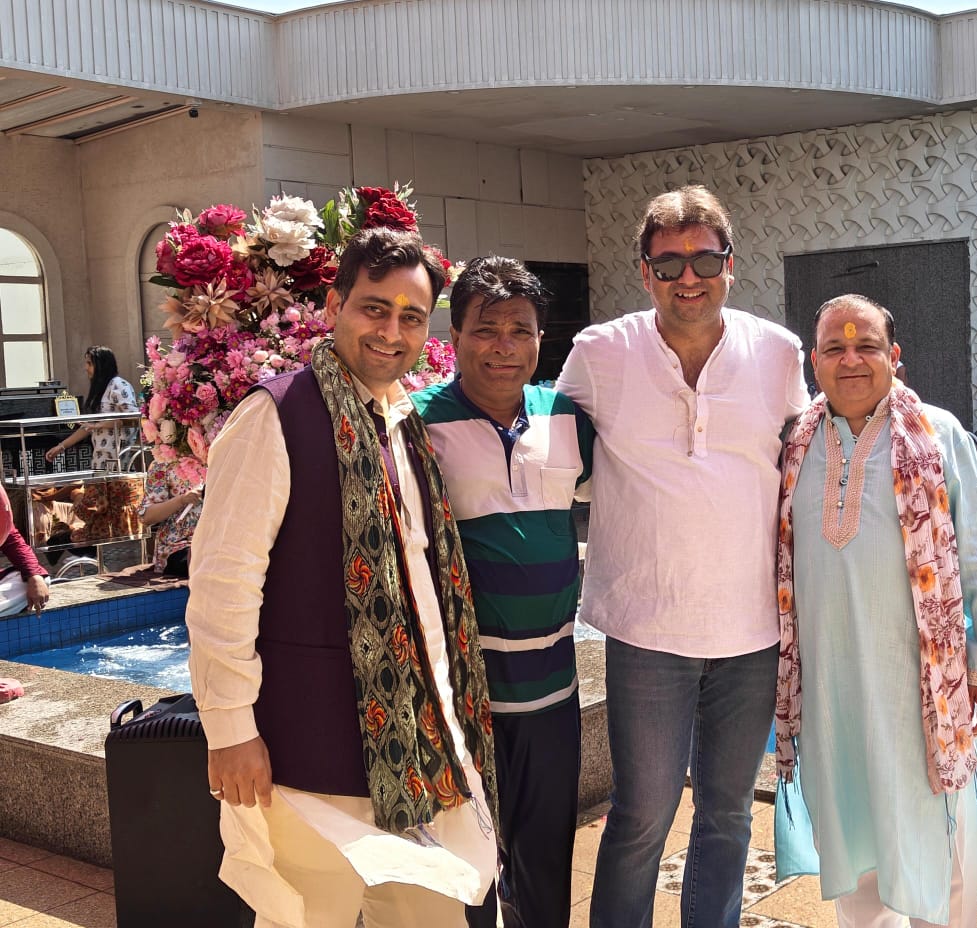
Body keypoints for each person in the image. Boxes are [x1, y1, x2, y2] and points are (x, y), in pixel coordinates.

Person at [186, 227, 499, 927]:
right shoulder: (274, 416)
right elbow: (222, 586)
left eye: (411, 316)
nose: (392, 332)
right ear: (333, 306)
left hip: (418, 748)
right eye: (374, 308)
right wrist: (230, 730)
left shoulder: (405, 421)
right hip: (309, 752)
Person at [555, 185, 810, 928]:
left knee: (728, 812)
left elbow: (807, 463)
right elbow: (548, 454)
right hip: (646, 626)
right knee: (641, 814)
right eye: (668, 263)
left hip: (752, 629)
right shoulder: (599, 353)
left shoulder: (778, 353)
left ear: (731, 263)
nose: (687, 277)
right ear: (644, 271)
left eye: (704, 259)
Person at [774, 294, 977, 928]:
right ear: (814, 362)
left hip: (921, 690)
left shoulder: (939, 434)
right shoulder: (795, 443)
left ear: (895, 356)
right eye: (834, 348)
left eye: (867, 346)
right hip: (831, 692)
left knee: (940, 840)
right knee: (853, 839)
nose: (850, 359)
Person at [414, 256, 593, 928]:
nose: (504, 347)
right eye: (486, 330)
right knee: (466, 861)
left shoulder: (567, 417)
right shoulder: (416, 424)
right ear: (456, 335)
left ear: (540, 339)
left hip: (554, 686)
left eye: (521, 330)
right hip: (465, 691)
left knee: (546, 851)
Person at [44, 346, 139, 470]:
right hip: (100, 460)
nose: (86, 368)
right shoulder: (101, 389)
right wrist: (61, 447)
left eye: (89, 363)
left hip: (119, 461)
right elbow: (88, 427)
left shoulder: (119, 385)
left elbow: (133, 419)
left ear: (102, 365)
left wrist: (98, 425)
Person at [136, 460, 201, 577]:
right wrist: (182, 500)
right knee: (203, 564)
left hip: (218, 542)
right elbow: (147, 517)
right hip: (179, 546)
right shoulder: (163, 464)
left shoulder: (224, 458)